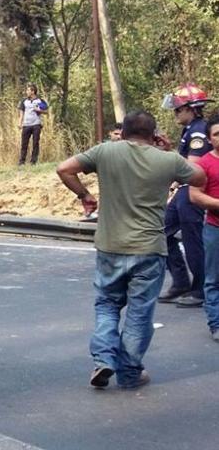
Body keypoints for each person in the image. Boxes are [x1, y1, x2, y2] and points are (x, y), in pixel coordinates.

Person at [56, 110, 205, 389]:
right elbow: (198, 177)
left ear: (122, 132)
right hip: (150, 249)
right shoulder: (168, 160)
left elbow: (64, 168)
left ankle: (103, 359)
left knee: (107, 305)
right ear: (153, 134)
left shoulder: (105, 152)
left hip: (110, 245)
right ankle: (130, 372)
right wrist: (169, 150)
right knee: (139, 313)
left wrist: (85, 195)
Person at [158, 84, 214, 308]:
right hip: (183, 191)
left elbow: (192, 169)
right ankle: (181, 282)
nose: (176, 113)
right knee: (162, 232)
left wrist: (168, 160)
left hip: (191, 192)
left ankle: (200, 289)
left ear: (192, 109)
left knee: (193, 241)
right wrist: (170, 151)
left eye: (179, 109)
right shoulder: (190, 129)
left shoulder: (199, 131)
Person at [188, 115, 219, 343]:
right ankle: (216, 323)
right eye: (216, 134)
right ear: (209, 139)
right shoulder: (203, 164)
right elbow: (195, 195)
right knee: (214, 279)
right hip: (214, 228)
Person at [18, 83, 48, 165]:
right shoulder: (24, 101)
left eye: (28, 90)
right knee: (24, 144)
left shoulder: (40, 101)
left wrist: (39, 110)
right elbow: (21, 113)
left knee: (35, 143)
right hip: (26, 125)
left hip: (36, 124)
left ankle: (33, 161)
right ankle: (21, 162)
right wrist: (19, 123)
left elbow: (46, 111)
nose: (26, 92)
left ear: (33, 91)